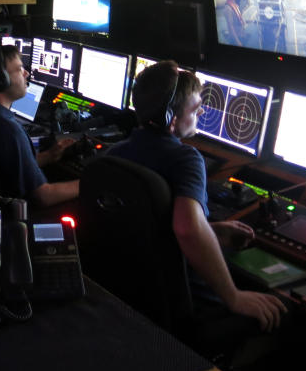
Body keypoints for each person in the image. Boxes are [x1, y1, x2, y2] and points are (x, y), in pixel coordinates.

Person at [106, 61, 286, 332]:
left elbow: (147, 223)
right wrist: (234, 298)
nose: (202, 111)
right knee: (287, 311)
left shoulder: (116, 153)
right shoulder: (186, 159)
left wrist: (211, 230)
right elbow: (187, 229)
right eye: (195, 107)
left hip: (135, 291)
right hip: (186, 301)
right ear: (171, 118)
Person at [0, 43, 78, 206]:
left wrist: (47, 156)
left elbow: (4, 167)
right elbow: (43, 196)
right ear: (0, 80)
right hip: (18, 216)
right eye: (19, 69)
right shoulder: (8, 129)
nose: (26, 73)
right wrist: (90, 182)